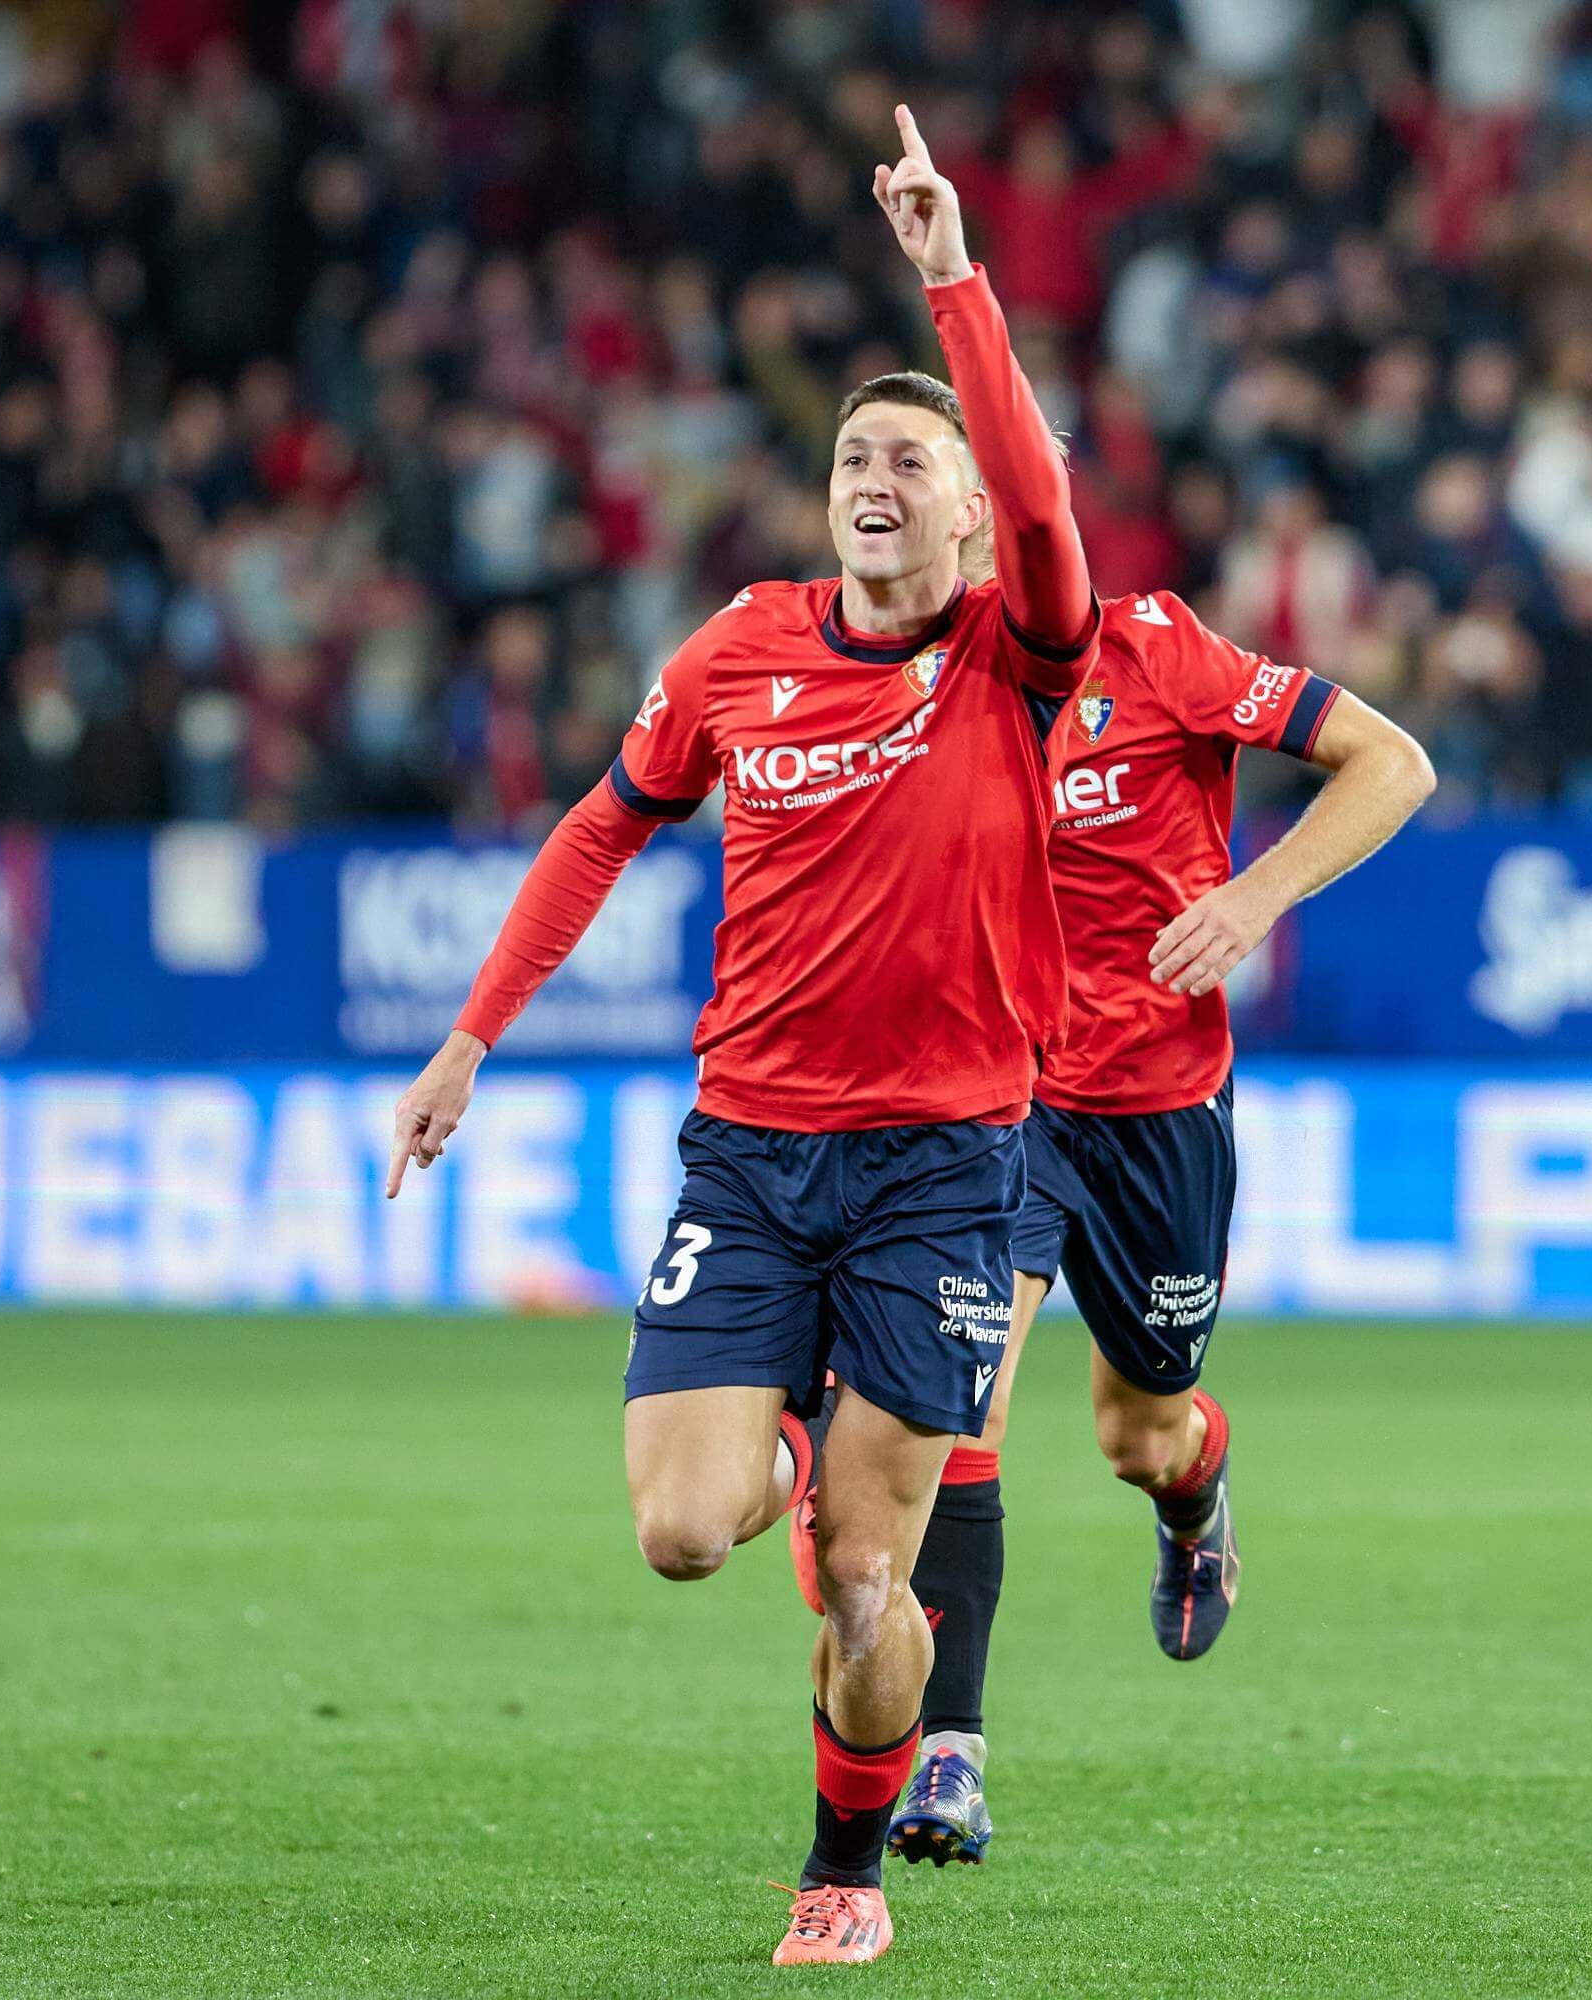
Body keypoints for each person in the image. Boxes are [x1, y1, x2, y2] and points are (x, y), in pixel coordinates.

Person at [384, 108, 1093, 1969]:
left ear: (960, 509)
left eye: (910, 455)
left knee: (865, 1586)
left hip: (946, 1168)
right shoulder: (738, 653)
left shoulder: (1021, 653)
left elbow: (1038, 497)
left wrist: (952, 279)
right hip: (753, 1158)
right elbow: (604, 824)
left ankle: (842, 1869)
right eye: (855, 451)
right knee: (687, 1536)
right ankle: (787, 1415)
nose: (878, 472)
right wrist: (475, 1034)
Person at [876, 569, 1434, 1868]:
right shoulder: (924, 675)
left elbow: (1392, 764)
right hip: (998, 1101)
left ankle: (1195, 1499)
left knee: (1142, 1428)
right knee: (969, 1403)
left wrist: (1252, 898)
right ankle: (948, 1754)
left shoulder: (1165, 653)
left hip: (1157, 1109)